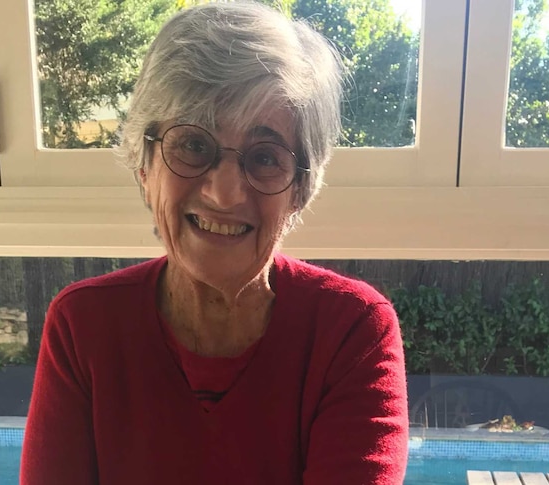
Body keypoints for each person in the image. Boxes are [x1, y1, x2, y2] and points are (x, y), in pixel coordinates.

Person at [20, 2, 408, 484]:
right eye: (193, 145)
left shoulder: (352, 332)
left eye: (265, 157)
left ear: (299, 189)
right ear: (145, 166)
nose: (224, 193)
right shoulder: (84, 328)